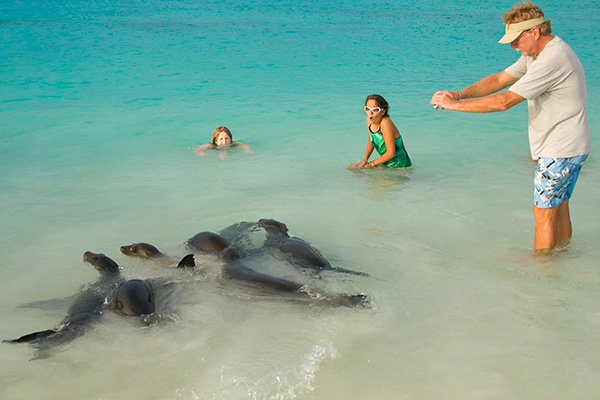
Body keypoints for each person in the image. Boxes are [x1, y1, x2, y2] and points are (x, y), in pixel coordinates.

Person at [430, 1, 591, 252]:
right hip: (569, 147)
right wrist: (459, 94)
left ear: (534, 32)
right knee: (558, 207)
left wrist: (454, 107)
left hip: (560, 148)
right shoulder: (535, 54)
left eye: (516, 39)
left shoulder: (552, 59)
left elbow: (504, 101)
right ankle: (562, 260)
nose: (513, 46)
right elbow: (500, 80)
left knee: (543, 213)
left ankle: (541, 271)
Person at [347, 94, 412, 170]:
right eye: (367, 109)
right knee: (352, 168)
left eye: (375, 109)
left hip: (400, 166)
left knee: (360, 171)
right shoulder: (369, 120)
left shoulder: (385, 123)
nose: (370, 113)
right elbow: (371, 141)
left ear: (383, 112)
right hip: (386, 163)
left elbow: (391, 153)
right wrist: (365, 160)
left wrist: (371, 164)